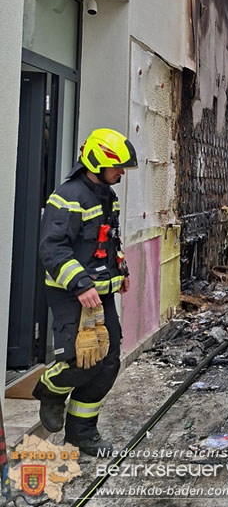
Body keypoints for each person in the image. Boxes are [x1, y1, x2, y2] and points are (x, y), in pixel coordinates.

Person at [32, 128, 138, 456]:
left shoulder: (106, 196)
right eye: (118, 167)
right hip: (71, 294)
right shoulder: (68, 197)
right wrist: (80, 284)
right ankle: (50, 389)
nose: (122, 173)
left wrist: (121, 270)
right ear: (97, 163)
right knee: (82, 361)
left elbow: (108, 239)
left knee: (107, 363)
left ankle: (82, 433)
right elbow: (52, 248)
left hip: (100, 294)